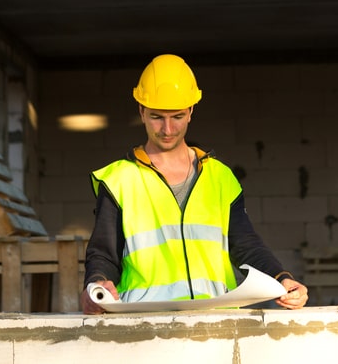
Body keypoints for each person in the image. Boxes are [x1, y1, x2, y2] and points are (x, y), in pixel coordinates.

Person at [80, 53, 308, 314]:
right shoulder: (118, 180)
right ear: (141, 112)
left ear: (190, 112)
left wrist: (283, 279)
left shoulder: (220, 177)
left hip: (215, 324)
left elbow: (246, 245)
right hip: (144, 324)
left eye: (177, 116)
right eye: (156, 117)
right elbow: (103, 255)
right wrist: (96, 285)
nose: (167, 129)